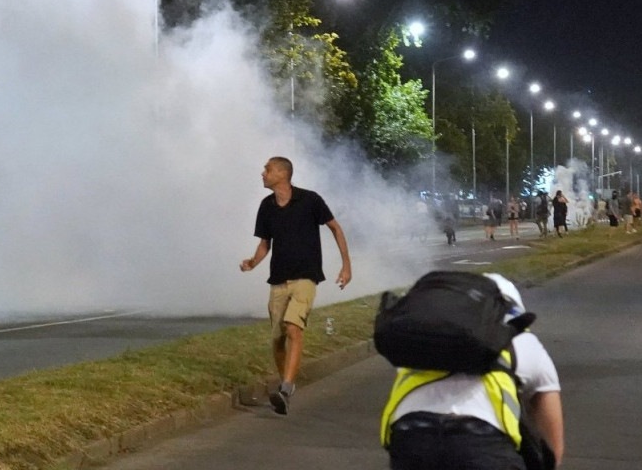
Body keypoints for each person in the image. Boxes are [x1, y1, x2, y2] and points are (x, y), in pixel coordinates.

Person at [381, 273, 565, 470]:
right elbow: (553, 444)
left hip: (411, 436)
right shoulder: (522, 342)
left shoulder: (422, 343)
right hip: (481, 444)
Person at [240, 156, 352, 415]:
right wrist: (253, 262)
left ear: (282, 173)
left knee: (293, 328)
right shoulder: (266, 206)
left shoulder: (310, 200)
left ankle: (287, 388)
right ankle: (284, 386)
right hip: (278, 279)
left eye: (267, 169)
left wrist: (346, 265)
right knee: (278, 339)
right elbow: (265, 243)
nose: (263, 173)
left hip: (306, 276)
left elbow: (335, 228)